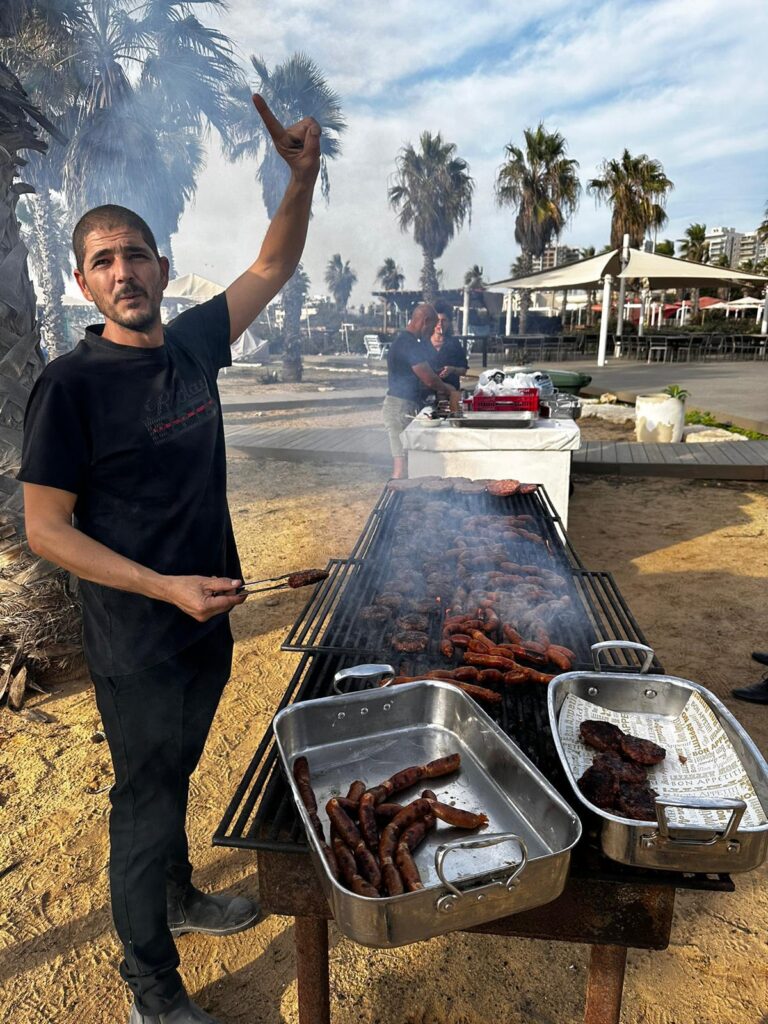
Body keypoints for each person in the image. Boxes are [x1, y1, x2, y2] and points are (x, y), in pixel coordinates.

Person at [18, 95, 321, 1024]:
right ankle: (151, 985)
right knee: (144, 803)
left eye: (136, 255)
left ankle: (180, 895)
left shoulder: (192, 344)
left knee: (176, 777)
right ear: (83, 284)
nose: (124, 271)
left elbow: (272, 264)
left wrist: (302, 177)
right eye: (104, 260)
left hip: (208, 621)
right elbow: (46, 530)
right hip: (138, 639)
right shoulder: (69, 388)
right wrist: (161, 587)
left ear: (160, 265)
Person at [382, 303, 460, 479]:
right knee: (401, 467)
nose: (433, 330)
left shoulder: (406, 341)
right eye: (433, 325)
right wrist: (449, 390)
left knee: (409, 463)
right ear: (425, 321)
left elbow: (418, 377)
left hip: (403, 406)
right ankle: (394, 493)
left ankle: (403, 492)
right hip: (399, 408)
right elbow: (429, 379)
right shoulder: (408, 344)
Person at [423, 307, 469, 394]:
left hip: (451, 392)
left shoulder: (455, 344)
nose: (440, 324)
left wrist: (452, 369)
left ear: (449, 323)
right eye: (437, 320)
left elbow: (463, 370)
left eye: (444, 320)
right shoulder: (423, 343)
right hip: (428, 392)